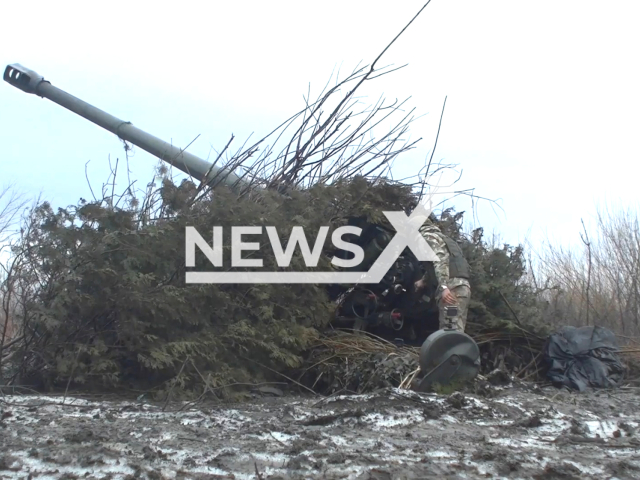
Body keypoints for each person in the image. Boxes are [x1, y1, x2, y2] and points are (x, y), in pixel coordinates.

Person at [414, 218, 471, 332]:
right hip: (461, 287)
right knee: (456, 329)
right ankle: (457, 349)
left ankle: (453, 350)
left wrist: (444, 287)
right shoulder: (443, 238)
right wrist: (424, 280)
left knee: (449, 330)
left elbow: (440, 260)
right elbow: (442, 263)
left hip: (451, 289)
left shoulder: (428, 237)